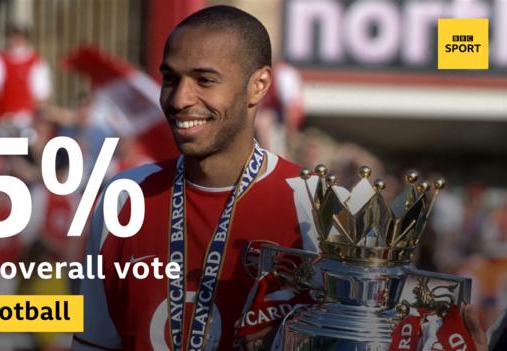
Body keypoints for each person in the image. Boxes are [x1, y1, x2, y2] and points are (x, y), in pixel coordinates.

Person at [73, 6, 488, 351]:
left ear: (258, 86)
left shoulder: (321, 207)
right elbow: (94, 343)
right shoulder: (122, 198)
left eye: (204, 80)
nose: (180, 99)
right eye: (170, 78)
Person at [0, 24, 51, 129]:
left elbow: (42, 95)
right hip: (2, 118)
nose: (14, 40)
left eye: (18, 37)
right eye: (11, 36)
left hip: (26, 120)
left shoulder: (36, 62)